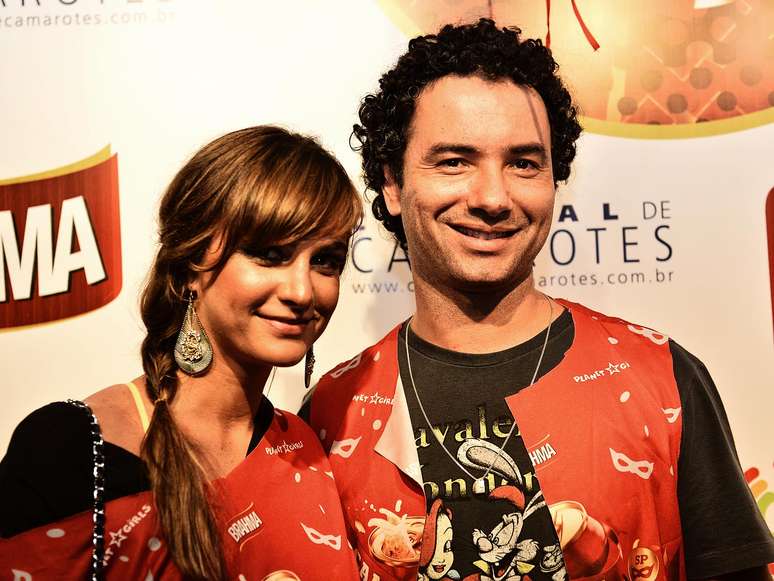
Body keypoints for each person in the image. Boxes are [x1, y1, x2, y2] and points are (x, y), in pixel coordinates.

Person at [303, 19, 774, 581]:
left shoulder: (663, 376)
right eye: (454, 161)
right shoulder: (333, 414)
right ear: (393, 183)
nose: (493, 197)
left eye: (524, 163)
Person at [0, 126, 363, 580]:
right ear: (192, 264)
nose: (302, 291)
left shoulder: (304, 448)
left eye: (325, 260)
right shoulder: (69, 448)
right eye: (270, 254)